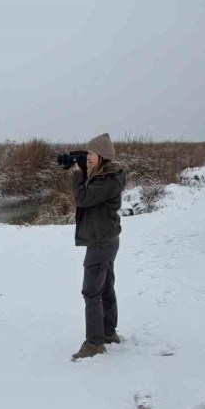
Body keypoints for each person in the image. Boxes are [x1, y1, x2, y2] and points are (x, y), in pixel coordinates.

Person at [69, 133, 127, 361]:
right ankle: (108, 332)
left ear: (102, 156)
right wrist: (84, 171)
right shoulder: (106, 175)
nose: (88, 157)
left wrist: (77, 174)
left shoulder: (109, 180)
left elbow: (83, 199)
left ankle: (94, 343)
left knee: (91, 291)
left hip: (102, 241)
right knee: (105, 287)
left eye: (91, 154)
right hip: (105, 238)